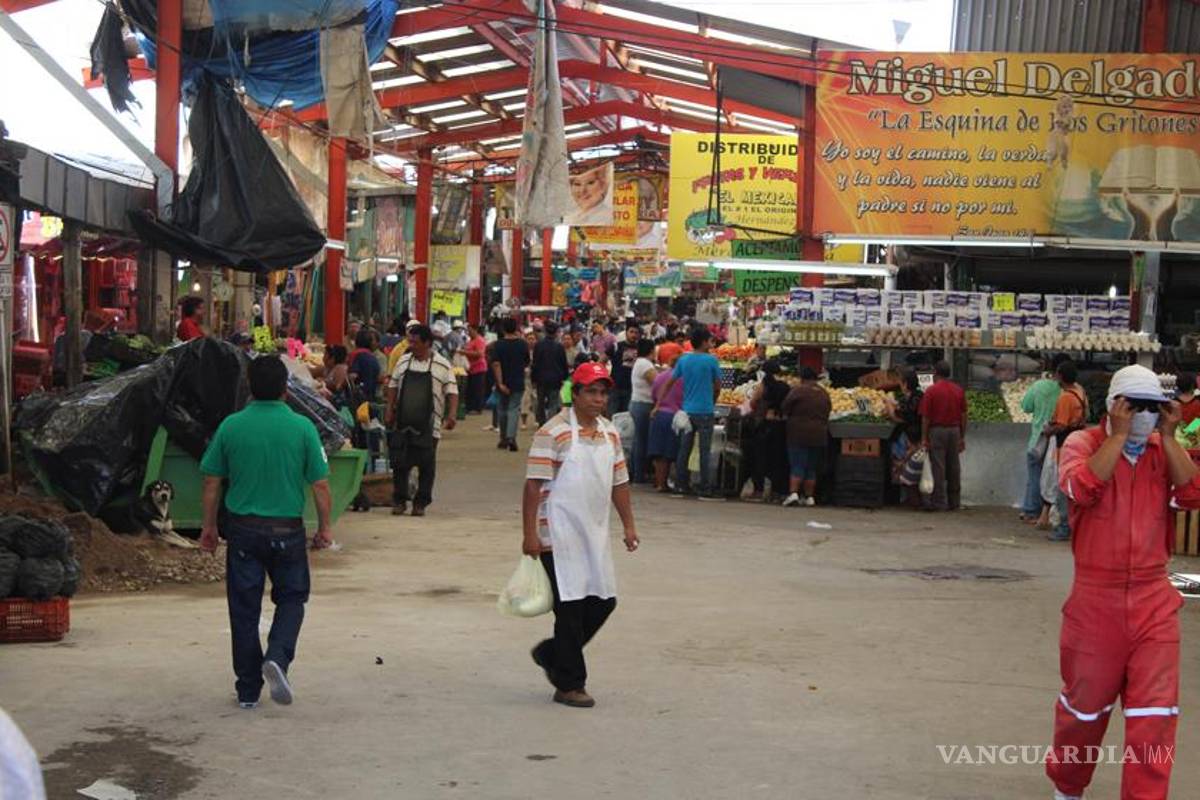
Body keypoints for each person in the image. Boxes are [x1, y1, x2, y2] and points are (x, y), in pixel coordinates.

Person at [1047, 364, 1200, 800]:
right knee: (1084, 710)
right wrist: (1116, 436)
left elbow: (1192, 494)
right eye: (1133, 407)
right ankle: (1069, 786)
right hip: (1095, 604)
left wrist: (1169, 437)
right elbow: (1081, 487)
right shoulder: (1084, 443)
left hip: (1155, 601)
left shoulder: (1160, 450)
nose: (1143, 418)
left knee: (1156, 714)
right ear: (1114, 407)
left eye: (1152, 409)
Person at [199, 356, 333, 709]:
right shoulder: (302, 428)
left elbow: (212, 480)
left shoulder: (231, 426)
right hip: (287, 530)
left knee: (243, 609)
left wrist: (209, 527)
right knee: (291, 599)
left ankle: (247, 691)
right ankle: (277, 656)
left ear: (250, 389)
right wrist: (324, 529)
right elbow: (320, 485)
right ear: (286, 391)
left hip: (242, 530)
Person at [523, 362, 639, 708]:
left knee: (604, 601)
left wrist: (629, 525)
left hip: (594, 533)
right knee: (570, 608)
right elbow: (533, 486)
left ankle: (552, 654)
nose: (598, 398)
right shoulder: (553, 432)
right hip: (556, 534)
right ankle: (570, 684)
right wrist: (530, 534)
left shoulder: (609, 433)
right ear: (575, 393)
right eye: (591, 391)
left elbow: (620, 483)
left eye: (603, 392)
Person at [384, 323, 458, 517]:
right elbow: (392, 385)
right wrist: (389, 410)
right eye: (410, 341)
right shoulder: (403, 361)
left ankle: (421, 503)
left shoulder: (442, 364)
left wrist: (451, 415)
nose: (411, 345)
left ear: (427, 343)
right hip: (403, 421)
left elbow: (452, 392)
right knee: (400, 464)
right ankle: (399, 500)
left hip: (430, 426)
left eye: (415, 342)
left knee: (426, 466)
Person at [663, 328, 722, 499]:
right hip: (705, 411)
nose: (711, 344)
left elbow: (670, 382)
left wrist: (659, 403)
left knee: (684, 450)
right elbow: (718, 386)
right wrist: (713, 400)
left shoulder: (683, 360)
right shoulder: (711, 361)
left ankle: (681, 485)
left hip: (687, 412)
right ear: (703, 342)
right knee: (704, 450)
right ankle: (705, 487)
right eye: (709, 341)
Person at [1021, 354, 1068, 525]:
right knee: (1050, 478)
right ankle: (1041, 512)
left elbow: (1026, 406)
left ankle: (1031, 511)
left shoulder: (1039, 386)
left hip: (1037, 440)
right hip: (1056, 443)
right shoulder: (1067, 392)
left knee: (1034, 476)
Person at [1044, 361, 1088, 542]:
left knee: (1063, 486)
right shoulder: (1080, 392)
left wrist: (1048, 431)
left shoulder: (1065, 398)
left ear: (1060, 376)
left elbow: (1061, 424)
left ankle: (1064, 527)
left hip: (1065, 445)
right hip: (1079, 442)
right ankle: (1075, 524)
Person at [919, 361, 967, 512]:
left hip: (937, 431)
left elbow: (926, 417)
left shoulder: (931, 391)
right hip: (954, 430)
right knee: (954, 466)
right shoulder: (958, 390)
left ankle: (939, 502)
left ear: (935, 373)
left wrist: (924, 438)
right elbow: (964, 415)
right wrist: (961, 437)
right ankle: (954, 502)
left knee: (938, 467)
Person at [780, 367, 831, 507]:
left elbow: (785, 407)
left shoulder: (798, 391)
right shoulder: (823, 393)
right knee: (811, 467)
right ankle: (809, 497)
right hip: (819, 434)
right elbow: (828, 410)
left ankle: (793, 494)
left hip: (798, 433)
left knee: (797, 464)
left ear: (802, 378)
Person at [747, 360, 790, 502]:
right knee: (778, 460)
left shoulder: (763, 386)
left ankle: (759, 491)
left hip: (765, 425)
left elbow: (753, 403)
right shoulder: (786, 387)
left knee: (760, 458)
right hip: (781, 425)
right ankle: (777, 493)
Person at [886, 369, 925, 508]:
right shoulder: (914, 396)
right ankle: (910, 499)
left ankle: (913, 501)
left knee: (908, 468)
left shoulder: (915, 398)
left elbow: (899, 417)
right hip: (913, 436)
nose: (899, 385)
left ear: (906, 384)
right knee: (910, 468)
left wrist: (889, 404)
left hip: (913, 438)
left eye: (901, 383)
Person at [647, 350, 684, 492]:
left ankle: (660, 483)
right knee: (671, 453)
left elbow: (654, 395)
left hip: (659, 414)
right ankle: (671, 483)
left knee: (658, 453)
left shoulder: (660, 376)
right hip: (676, 417)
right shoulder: (684, 378)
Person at [491, 317, 530, 451]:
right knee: (514, 409)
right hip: (518, 381)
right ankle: (511, 437)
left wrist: (500, 383)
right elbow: (526, 361)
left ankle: (503, 438)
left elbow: (496, 364)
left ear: (503, 329)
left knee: (502, 409)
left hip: (503, 381)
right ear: (516, 328)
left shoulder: (498, 345)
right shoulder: (523, 344)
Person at [627, 338, 658, 484]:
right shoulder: (645, 364)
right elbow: (657, 383)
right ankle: (639, 475)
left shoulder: (640, 363)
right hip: (643, 405)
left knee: (638, 440)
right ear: (651, 350)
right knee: (641, 441)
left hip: (637, 403)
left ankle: (634, 472)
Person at [532, 320, 570, 425]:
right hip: (555, 379)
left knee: (540, 402)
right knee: (553, 403)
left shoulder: (538, 345)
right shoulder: (559, 347)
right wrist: (565, 377)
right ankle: (551, 424)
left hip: (540, 378)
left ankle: (541, 422)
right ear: (556, 332)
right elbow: (564, 364)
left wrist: (533, 379)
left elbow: (535, 363)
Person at [606, 324, 643, 416]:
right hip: (615, 387)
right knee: (611, 415)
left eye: (636, 333)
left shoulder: (641, 349)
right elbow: (601, 361)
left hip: (631, 388)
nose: (634, 335)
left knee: (625, 417)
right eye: (631, 332)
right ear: (626, 333)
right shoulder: (616, 346)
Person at [349, 329, 382, 402]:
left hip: (359, 400)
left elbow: (353, 376)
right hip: (371, 397)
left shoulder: (357, 355)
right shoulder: (373, 358)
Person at [463, 324, 489, 414]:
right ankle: (470, 407)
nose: (468, 333)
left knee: (477, 389)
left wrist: (464, 352)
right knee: (470, 389)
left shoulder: (479, 340)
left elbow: (479, 354)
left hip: (479, 368)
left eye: (470, 331)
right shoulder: (470, 341)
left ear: (475, 330)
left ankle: (477, 408)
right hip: (471, 368)